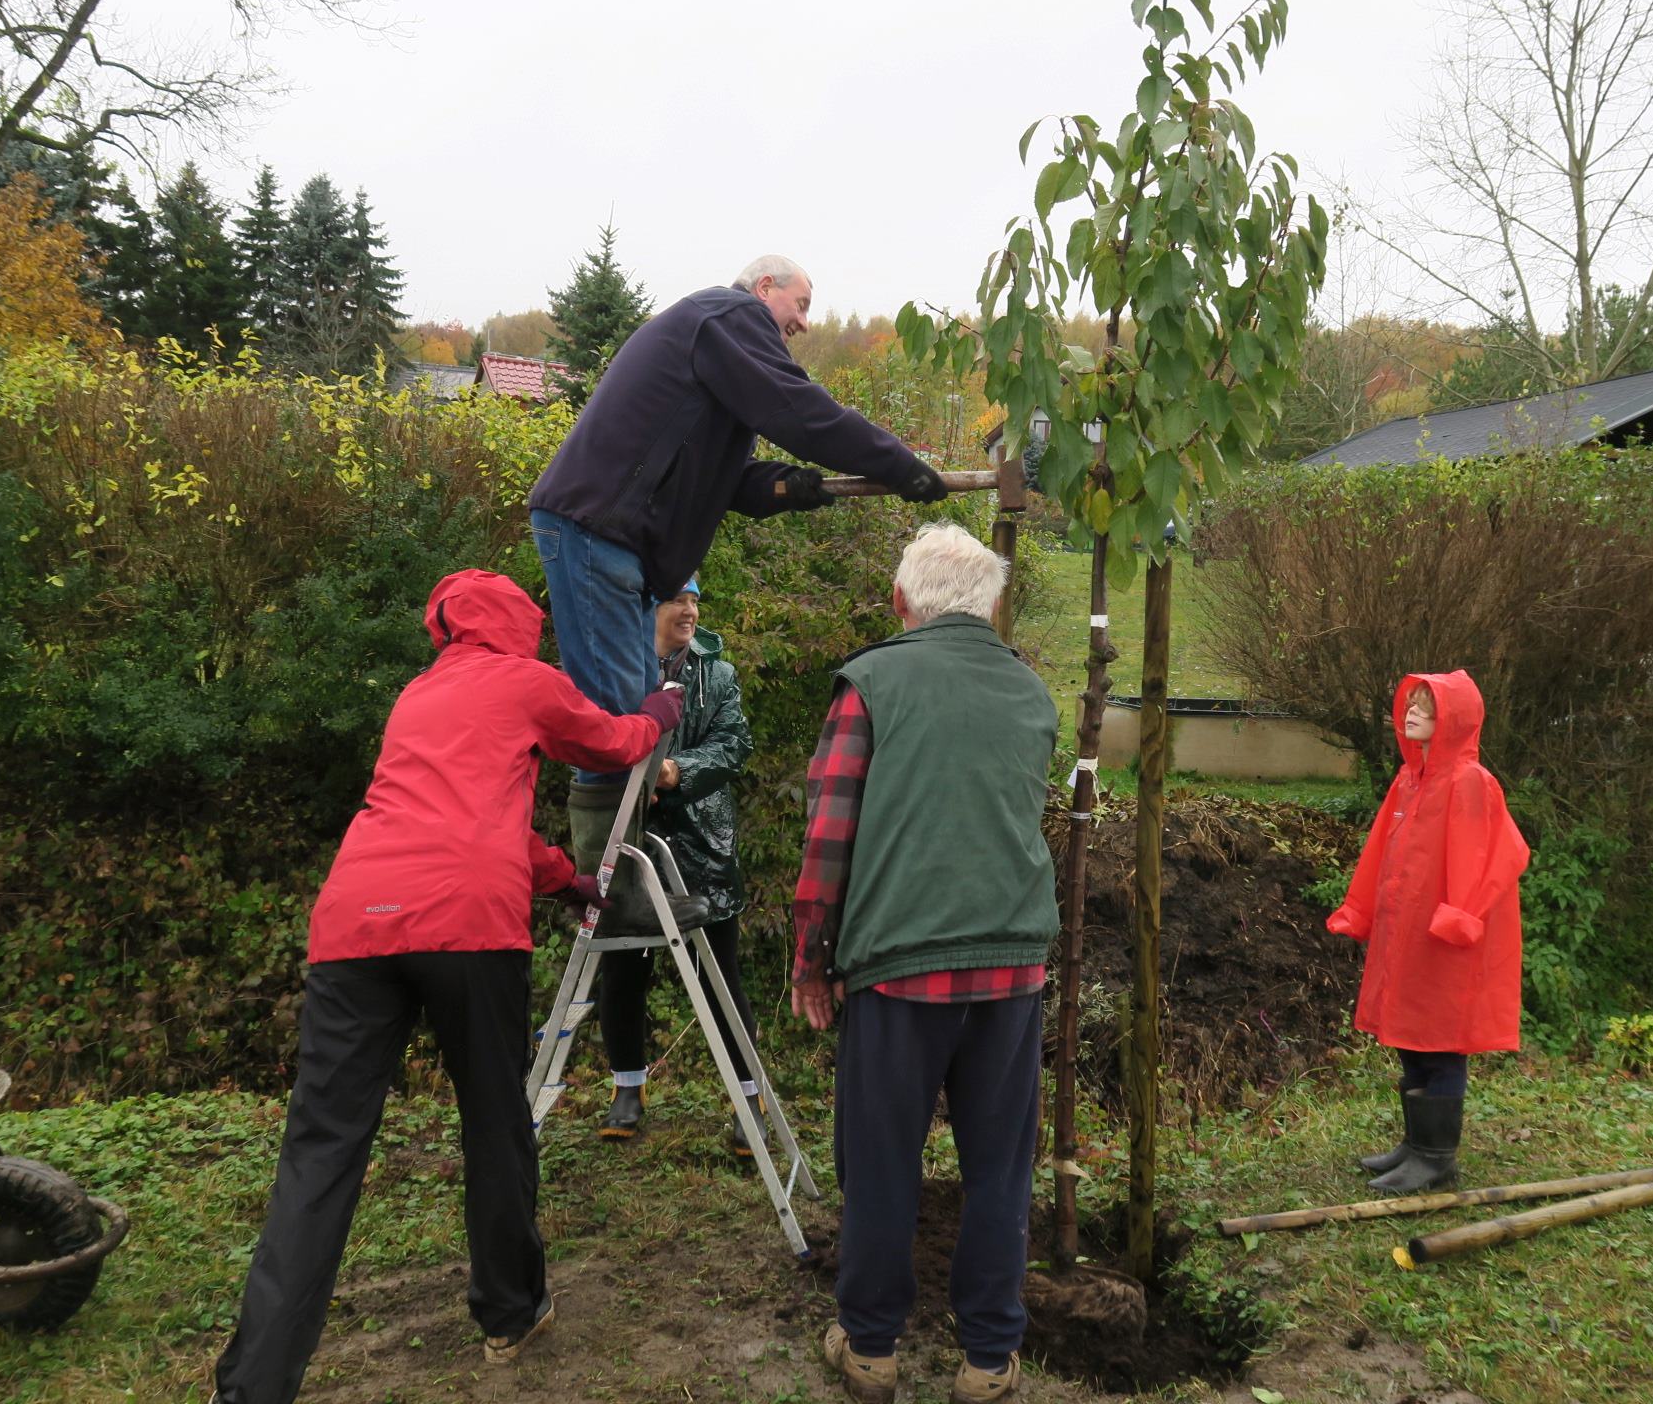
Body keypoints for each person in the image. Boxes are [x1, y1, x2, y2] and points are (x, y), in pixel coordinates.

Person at [208, 570, 684, 1404]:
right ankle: (510, 1312)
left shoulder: (417, 696)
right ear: (522, 625)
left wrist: (561, 876)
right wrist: (661, 713)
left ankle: (250, 1388)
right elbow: (613, 744)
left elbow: (457, 812)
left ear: (445, 626)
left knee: (319, 1153)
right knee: (495, 1122)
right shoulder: (526, 680)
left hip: (355, 918)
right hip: (467, 921)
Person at [524, 256, 946, 936]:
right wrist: (895, 463)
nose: (804, 323)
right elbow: (800, 410)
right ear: (763, 288)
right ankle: (606, 895)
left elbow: (731, 478)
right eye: (800, 304)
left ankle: (618, 879)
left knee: (636, 713)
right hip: (595, 529)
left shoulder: (716, 357)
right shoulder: (727, 318)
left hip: (616, 541)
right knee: (614, 716)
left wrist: (793, 488)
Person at [792, 524, 1058, 1404]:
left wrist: (812, 960)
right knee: (998, 1170)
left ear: (902, 604)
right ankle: (988, 1361)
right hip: (1012, 965)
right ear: (990, 606)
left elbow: (829, 833)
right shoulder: (1031, 690)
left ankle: (870, 1349)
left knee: (880, 1160)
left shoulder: (872, 681)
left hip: (899, 967)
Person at [1326, 671, 1529, 1195]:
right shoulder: (1409, 779)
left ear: (1454, 721)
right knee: (1411, 1037)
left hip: (1446, 941)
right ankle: (1417, 1146)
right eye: (1411, 705)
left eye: (1427, 708)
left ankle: (1437, 1159)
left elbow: (1496, 856)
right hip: (1406, 935)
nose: (1412, 713)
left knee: (1441, 1041)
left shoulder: (1470, 782)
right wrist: (1361, 909)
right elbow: (1379, 852)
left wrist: (1462, 913)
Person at [594, 576, 764, 1153]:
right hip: (627, 837)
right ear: (647, 609)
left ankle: (748, 1099)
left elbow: (735, 743)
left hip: (700, 841)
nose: (690, 609)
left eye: (696, 599)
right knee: (622, 971)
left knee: (722, 975)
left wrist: (678, 771)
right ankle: (627, 1087)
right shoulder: (616, 671)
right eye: (678, 600)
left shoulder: (717, 673)